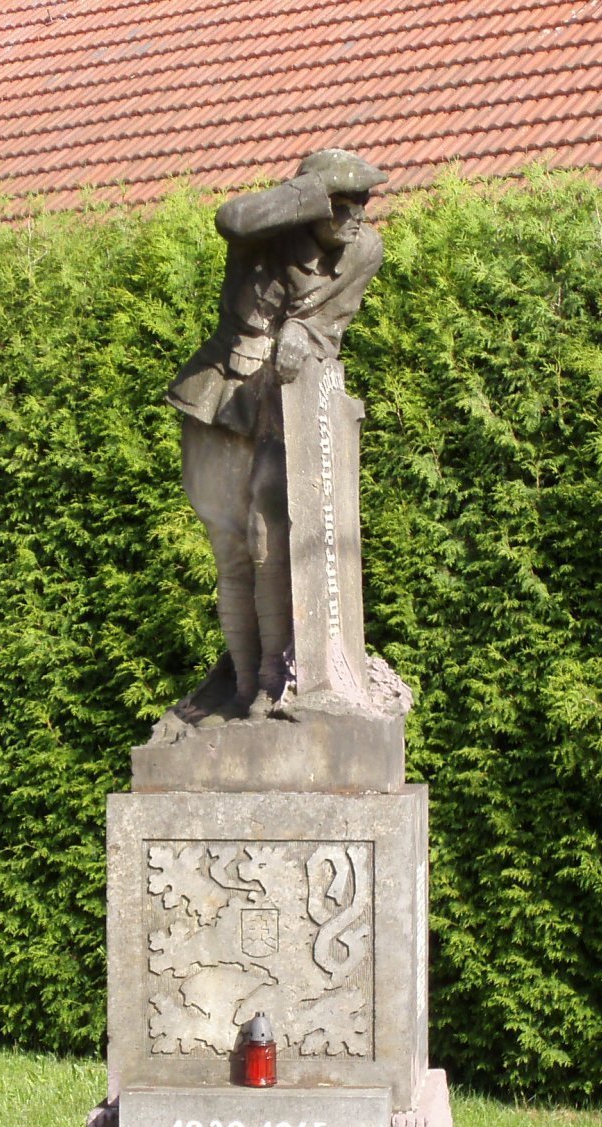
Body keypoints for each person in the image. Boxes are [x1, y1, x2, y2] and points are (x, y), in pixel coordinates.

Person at [166, 149, 387, 721]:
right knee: (230, 551)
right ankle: (241, 690)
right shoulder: (264, 236)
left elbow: (328, 327)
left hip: (289, 404)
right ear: (314, 201)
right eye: (345, 202)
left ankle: (271, 682)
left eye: (364, 200)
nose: (358, 214)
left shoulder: (364, 250)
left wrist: (303, 331)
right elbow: (230, 218)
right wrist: (310, 193)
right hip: (222, 395)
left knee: (269, 540)